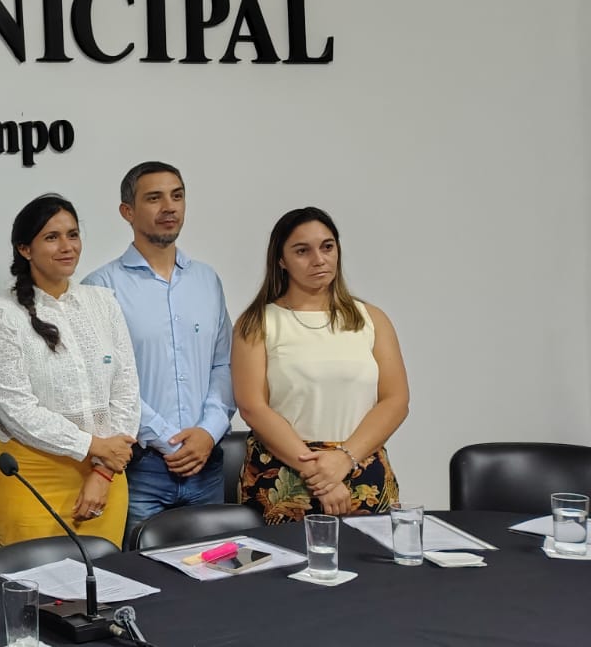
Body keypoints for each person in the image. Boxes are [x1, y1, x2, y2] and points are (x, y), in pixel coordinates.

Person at [0, 193, 140, 548]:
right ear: (25, 249)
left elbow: (127, 390)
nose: (67, 246)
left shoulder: (103, 302)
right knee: (39, 583)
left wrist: (103, 471)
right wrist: (94, 447)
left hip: (106, 475)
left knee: (104, 579)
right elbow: (17, 411)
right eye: (52, 237)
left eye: (73, 234)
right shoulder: (0, 316)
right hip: (33, 477)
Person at [82, 161, 234, 537]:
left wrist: (208, 431)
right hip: (140, 467)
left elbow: (224, 364)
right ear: (127, 211)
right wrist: (166, 439)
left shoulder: (207, 280)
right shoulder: (100, 288)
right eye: (154, 198)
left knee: (215, 568)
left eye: (177, 196)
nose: (169, 207)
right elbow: (103, 382)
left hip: (208, 463)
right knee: (142, 570)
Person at [231, 207, 409, 524]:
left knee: (370, 557)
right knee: (282, 556)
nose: (319, 259)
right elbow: (253, 407)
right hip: (284, 474)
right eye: (302, 251)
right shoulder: (258, 322)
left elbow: (395, 400)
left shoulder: (371, 319)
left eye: (327, 247)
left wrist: (344, 459)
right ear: (281, 260)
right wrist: (317, 472)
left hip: (362, 469)